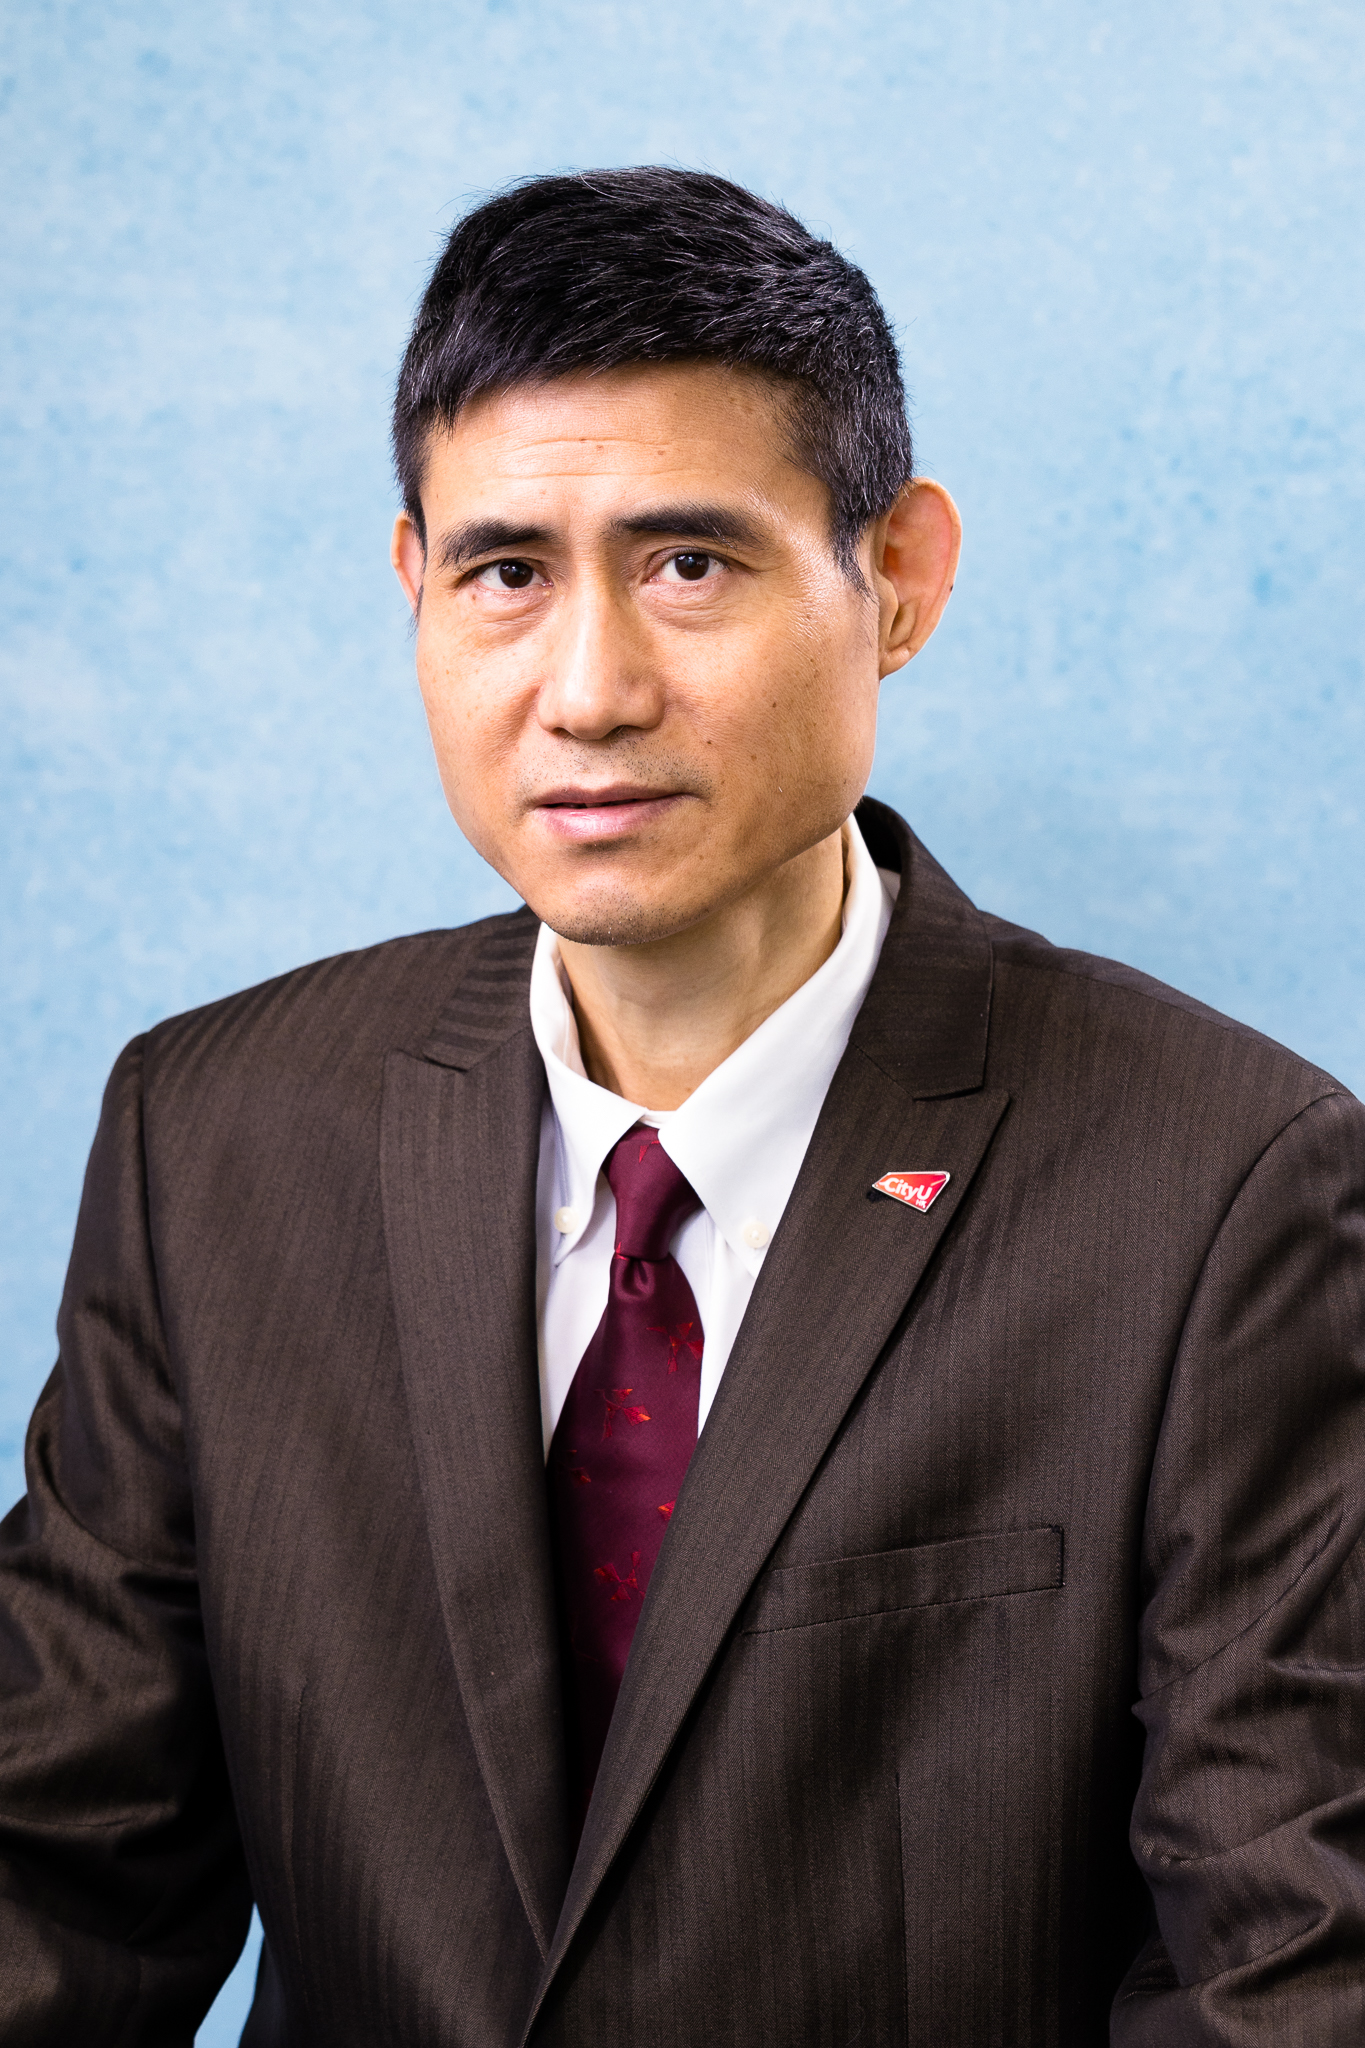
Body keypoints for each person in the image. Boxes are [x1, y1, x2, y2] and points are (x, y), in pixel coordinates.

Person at [1, 167, 1362, 2047]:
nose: (588, 692)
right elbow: (55, 1872)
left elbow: (1290, 1973)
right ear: (412, 585)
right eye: (505, 573)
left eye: (688, 565)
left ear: (899, 579)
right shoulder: (215, 1137)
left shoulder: (1223, 1191)